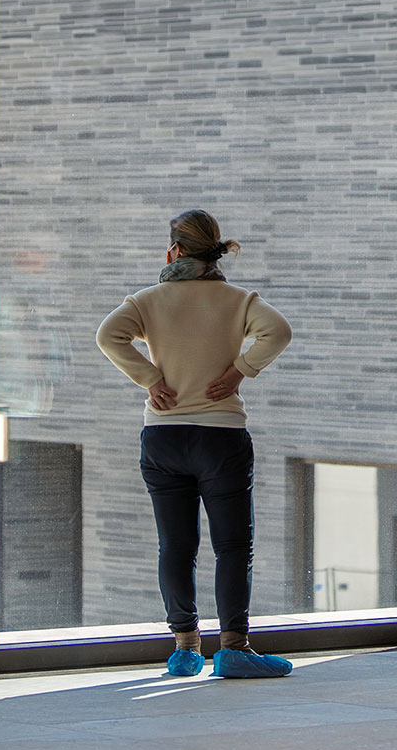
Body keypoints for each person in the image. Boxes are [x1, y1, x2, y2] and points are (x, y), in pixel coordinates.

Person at [97, 209, 294, 678]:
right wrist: (239, 371)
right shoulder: (237, 300)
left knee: (175, 545)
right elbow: (279, 332)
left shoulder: (148, 300)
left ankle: (185, 648)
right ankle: (233, 648)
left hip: (163, 437)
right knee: (232, 546)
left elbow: (109, 336)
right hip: (220, 437)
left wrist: (150, 378)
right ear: (215, 251)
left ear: (174, 251)